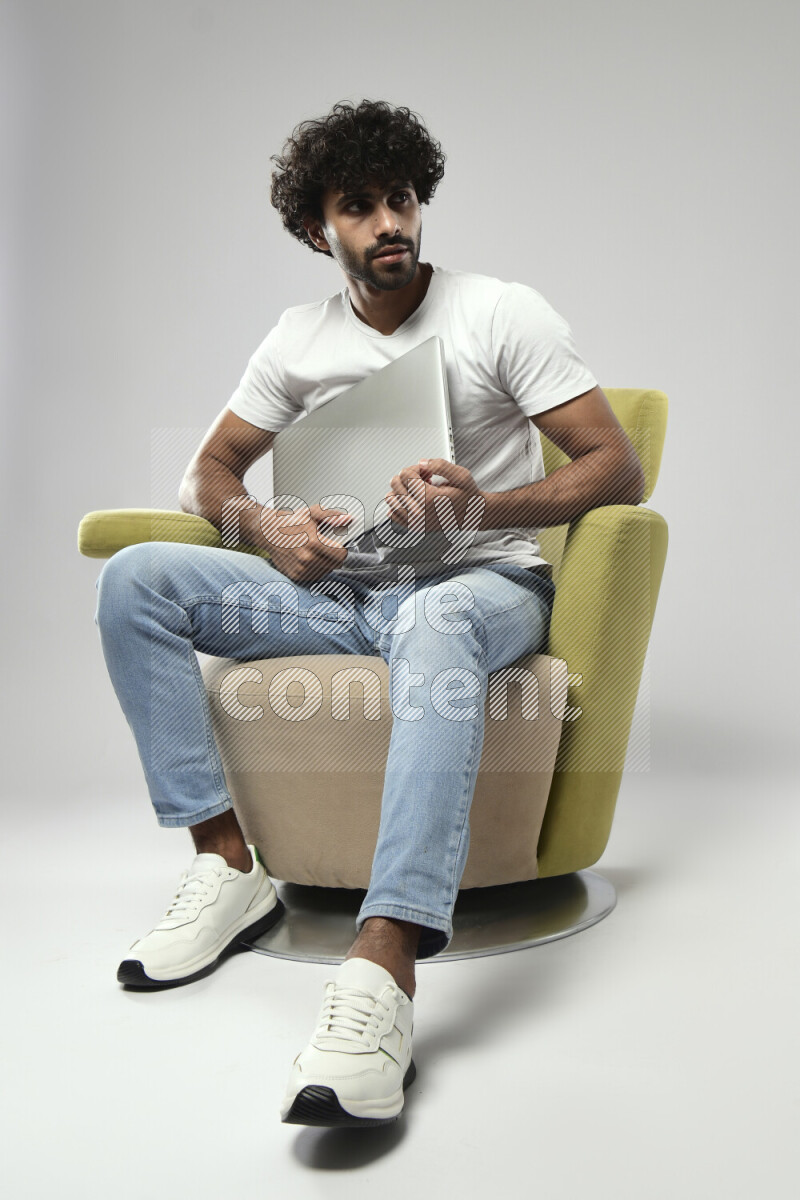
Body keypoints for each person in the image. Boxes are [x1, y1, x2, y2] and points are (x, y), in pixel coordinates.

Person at [94, 98, 645, 1128]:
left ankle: (381, 963)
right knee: (133, 581)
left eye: (400, 200)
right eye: (359, 207)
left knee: (435, 620)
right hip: (344, 596)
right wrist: (262, 527)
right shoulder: (296, 339)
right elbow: (206, 471)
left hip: (476, 586)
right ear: (320, 231)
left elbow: (618, 465)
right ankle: (225, 868)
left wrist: (477, 511)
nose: (389, 222)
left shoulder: (498, 313)